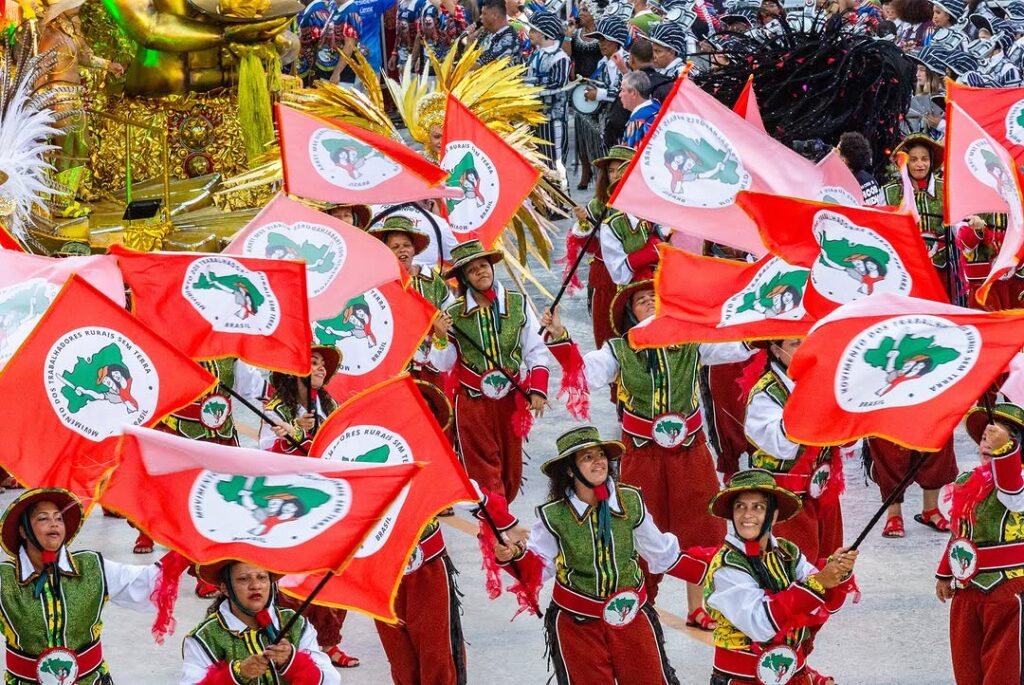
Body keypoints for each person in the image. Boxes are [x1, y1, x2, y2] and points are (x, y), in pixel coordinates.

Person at [542, 281, 755, 628]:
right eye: (641, 301)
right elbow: (582, 374)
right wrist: (560, 334)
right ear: (631, 313)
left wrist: (762, 318)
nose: (650, 304)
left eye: (655, 298)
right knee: (638, 525)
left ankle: (698, 606)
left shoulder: (691, 339)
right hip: (644, 455)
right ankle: (645, 599)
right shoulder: (619, 349)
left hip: (690, 451)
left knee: (704, 526)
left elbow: (734, 347)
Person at [493, 426, 714, 685]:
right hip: (578, 623)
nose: (598, 461)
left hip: (631, 616)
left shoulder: (630, 501)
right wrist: (510, 556)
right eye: (587, 458)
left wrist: (715, 572)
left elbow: (662, 555)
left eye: (600, 455)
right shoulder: (554, 516)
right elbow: (538, 568)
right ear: (569, 469)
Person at [0, 488, 189, 685]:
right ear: (23, 531)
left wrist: (184, 554)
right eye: (43, 518)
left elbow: (142, 583)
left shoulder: (91, 567)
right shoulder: (5, 579)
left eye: (59, 518)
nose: (54, 523)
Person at [704, 470, 859, 685]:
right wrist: (819, 582)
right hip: (743, 679)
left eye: (758, 507)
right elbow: (760, 624)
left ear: (774, 515)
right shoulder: (726, 566)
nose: (747, 515)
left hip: (794, 675)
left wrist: (838, 570)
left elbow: (820, 605)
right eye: (740, 506)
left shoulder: (787, 552)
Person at [429, 239, 551, 502]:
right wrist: (439, 337)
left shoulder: (517, 304)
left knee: (511, 473)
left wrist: (538, 389)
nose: (481, 272)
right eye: (473, 270)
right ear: (464, 278)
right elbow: (443, 363)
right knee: (485, 476)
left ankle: (503, 527)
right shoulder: (452, 314)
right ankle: (498, 534)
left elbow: (535, 349)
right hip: (474, 405)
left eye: (484, 266)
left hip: (510, 402)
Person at [936, 402, 1024, 685]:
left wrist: (1004, 452)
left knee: (1003, 674)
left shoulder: (1019, 481)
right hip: (966, 593)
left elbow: (1012, 493)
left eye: (999, 436)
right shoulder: (966, 479)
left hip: (1007, 592)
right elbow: (958, 532)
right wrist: (944, 572)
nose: (988, 441)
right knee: (967, 672)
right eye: (986, 436)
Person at [743, 339, 845, 563]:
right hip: (785, 504)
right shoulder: (765, 394)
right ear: (776, 350)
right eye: (795, 344)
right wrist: (813, 401)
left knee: (830, 566)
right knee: (791, 575)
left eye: (809, 342)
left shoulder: (827, 383)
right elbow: (782, 445)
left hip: (824, 493)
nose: (805, 349)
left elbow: (848, 439)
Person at [180, 560, 340, 684]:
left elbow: (330, 680)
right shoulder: (203, 638)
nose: (255, 586)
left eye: (262, 578)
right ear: (225, 588)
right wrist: (237, 674)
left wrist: (293, 661)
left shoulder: (296, 624)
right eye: (243, 579)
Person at [525, 11, 572, 183]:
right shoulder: (535, 55)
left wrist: (529, 87)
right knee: (540, 162)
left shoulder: (560, 58)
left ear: (543, 33)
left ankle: (562, 201)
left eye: (533, 30)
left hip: (554, 119)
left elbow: (557, 85)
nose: (530, 34)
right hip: (536, 118)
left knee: (556, 161)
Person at [565, 0, 604, 190]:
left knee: (597, 133)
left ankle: (600, 172)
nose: (581, 13)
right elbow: (568, 56)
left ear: (595, 13)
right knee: (580, 133)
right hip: (580, 86)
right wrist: (567, 36)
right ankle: (585, 171)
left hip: (599, 84)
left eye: (585, 9)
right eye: (580, 9)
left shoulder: (601, 33)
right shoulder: (577, 34)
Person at [584, 16, 631, 149]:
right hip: (607, 123)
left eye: (605, 39)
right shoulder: (602, 63)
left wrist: (599, 94)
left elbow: (627, 92)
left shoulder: (628, 61)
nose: (601, 43)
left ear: (616, 41)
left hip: (625, 122)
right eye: (599, 39)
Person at [837, 131, 882, 206]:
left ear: (844, 159)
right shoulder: (870, 179)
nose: (833, 150)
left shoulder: (845, 186)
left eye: (837, 149)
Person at [476, 0, 524, 65]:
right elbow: (470, 58)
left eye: (484, 14)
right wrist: (469, 41)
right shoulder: (486, 33)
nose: (481, 17)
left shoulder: (509, 39)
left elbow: (479, 64)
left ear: (495, 16)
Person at [620, 70, 660, 148]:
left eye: (623, 90)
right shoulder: (657, 107)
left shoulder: (637, 121)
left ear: (633, 93)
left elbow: (630, 154)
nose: (620, 95)